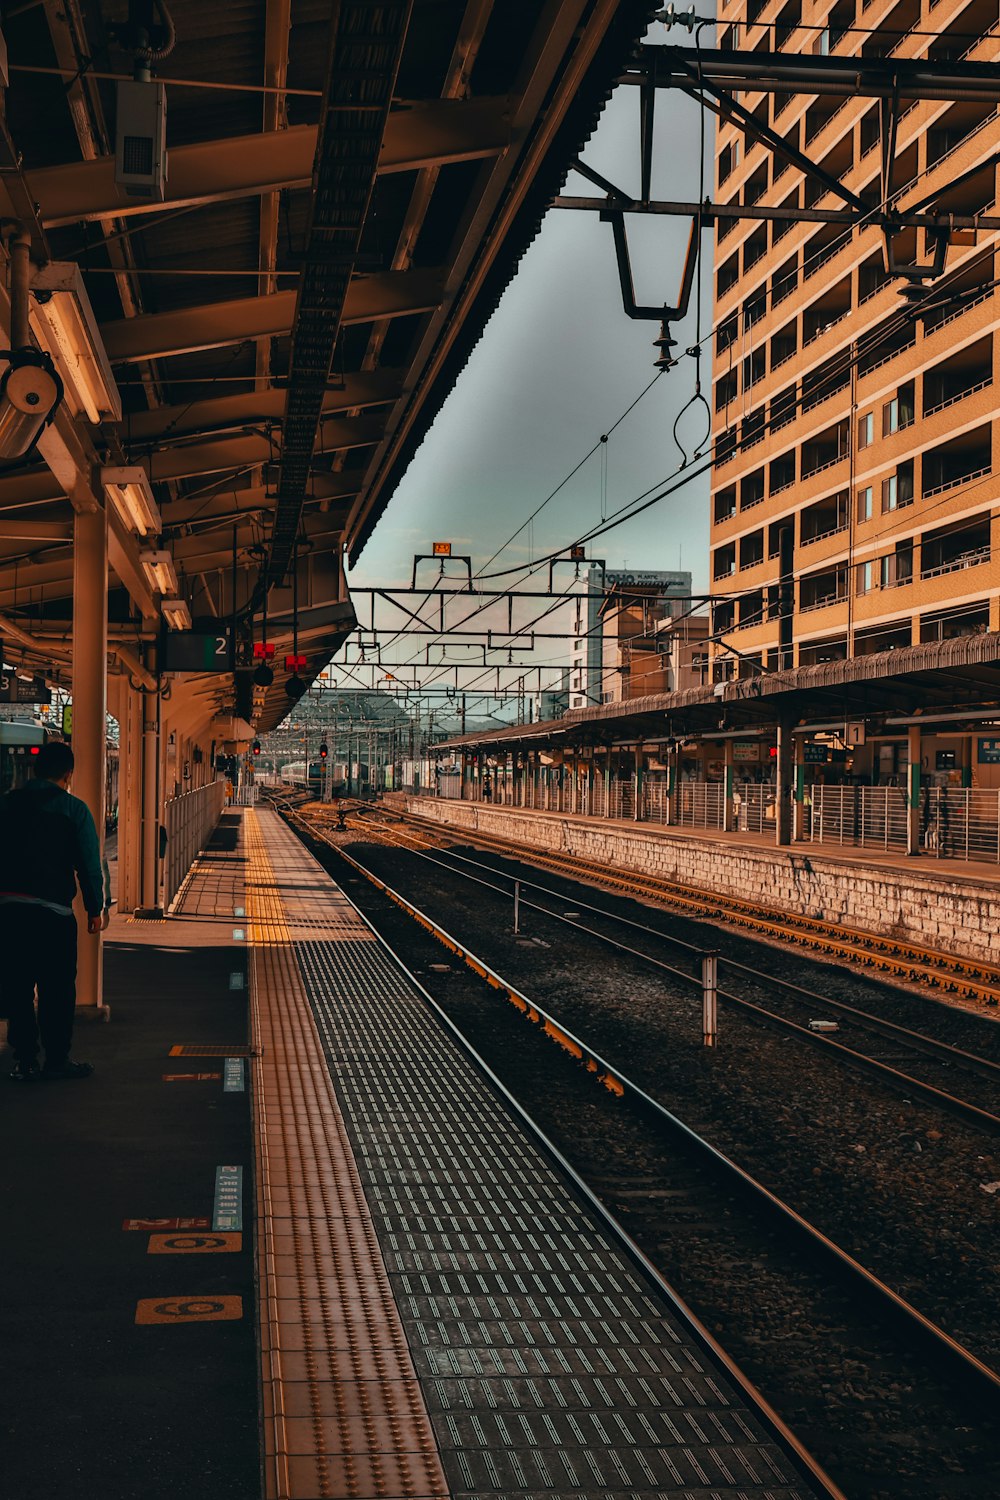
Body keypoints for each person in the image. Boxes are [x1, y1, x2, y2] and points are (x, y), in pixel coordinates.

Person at [0, 740, 111, 1081]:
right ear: (68, 773)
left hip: (10, 912)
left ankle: (25, 1060)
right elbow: (89, 865)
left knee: (17, 987)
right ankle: (57, 1059)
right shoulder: (74, 810)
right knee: (57, 989)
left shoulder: (7, 805)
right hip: (53, 915)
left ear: (34, 770)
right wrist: (96, 908)